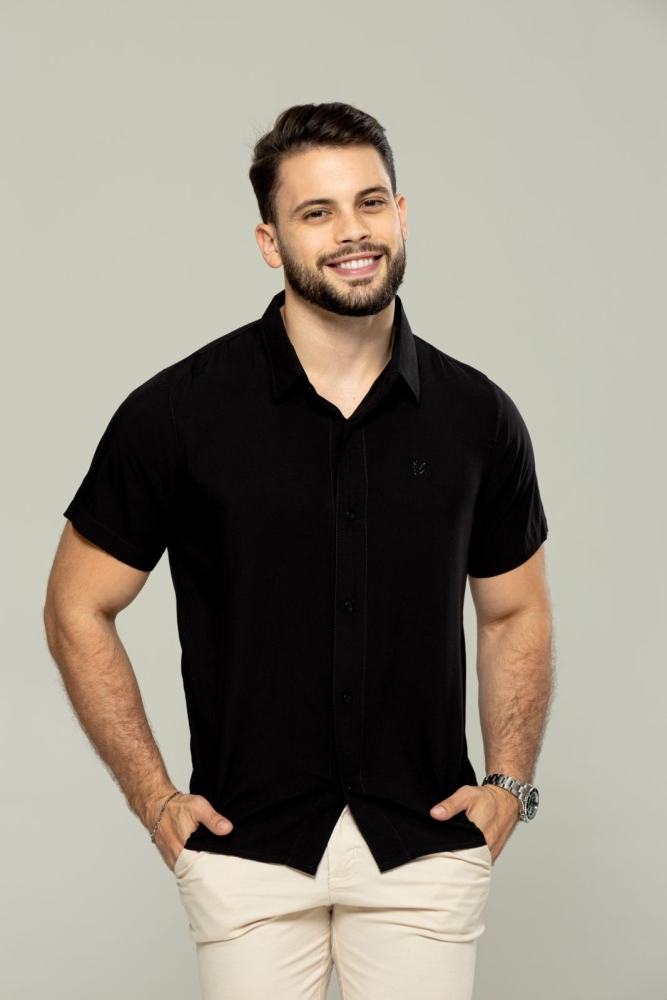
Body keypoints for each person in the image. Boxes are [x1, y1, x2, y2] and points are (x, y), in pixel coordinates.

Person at [44, 101, 554, 1000]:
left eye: (369, 202)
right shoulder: (178, 413)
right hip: (246, 852)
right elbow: (76, 606)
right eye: (316, 212)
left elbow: (513, 612)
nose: (351, 231)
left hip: (423, 848)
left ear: (402, 214)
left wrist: (509, 782)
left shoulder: (478, 418)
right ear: (269, 241)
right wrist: (155, 801)